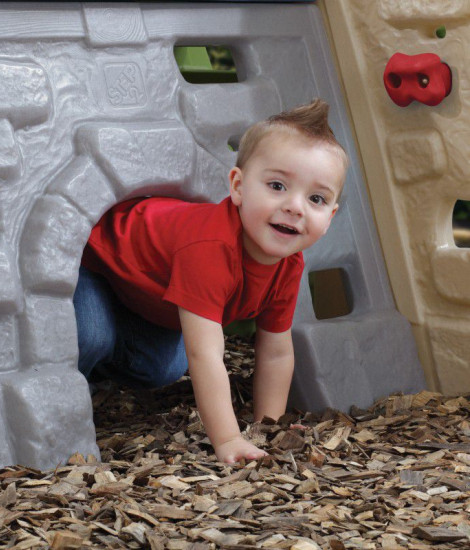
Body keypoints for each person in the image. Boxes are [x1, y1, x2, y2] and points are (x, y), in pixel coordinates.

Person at [74, 98, 348, 464]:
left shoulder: (289, 264)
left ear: (330, 216)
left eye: (316, 198)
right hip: (96, 264)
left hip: (145, 298)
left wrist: (268, 426)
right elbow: (206, 353)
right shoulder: (211, 247)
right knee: (90, 337)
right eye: (277, 186)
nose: (296, 207)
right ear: (238, 186)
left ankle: (105, 361)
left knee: (162, 369)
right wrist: (229, 440)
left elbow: (276, 350)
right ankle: (72, 382)